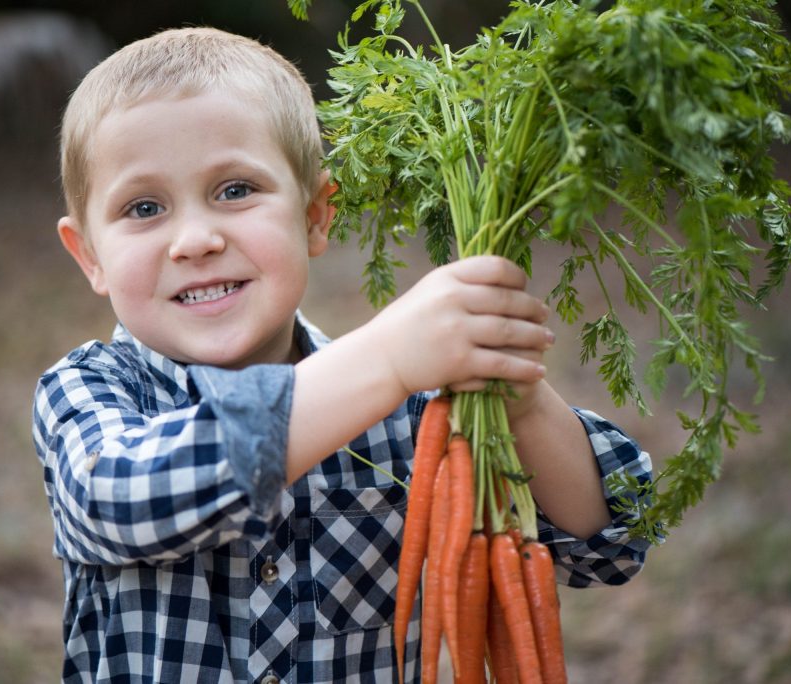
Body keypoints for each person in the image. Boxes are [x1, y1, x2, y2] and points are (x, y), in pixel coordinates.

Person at [32, 26, 653, 684]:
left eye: (235, 190)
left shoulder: (414, 414)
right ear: (90, 256)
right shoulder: (88, 393)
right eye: (144, 207)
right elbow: (120, 498)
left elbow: (612, 542)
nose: (196, 239)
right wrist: (385, 359)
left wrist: (520, 402)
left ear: (314, 218)